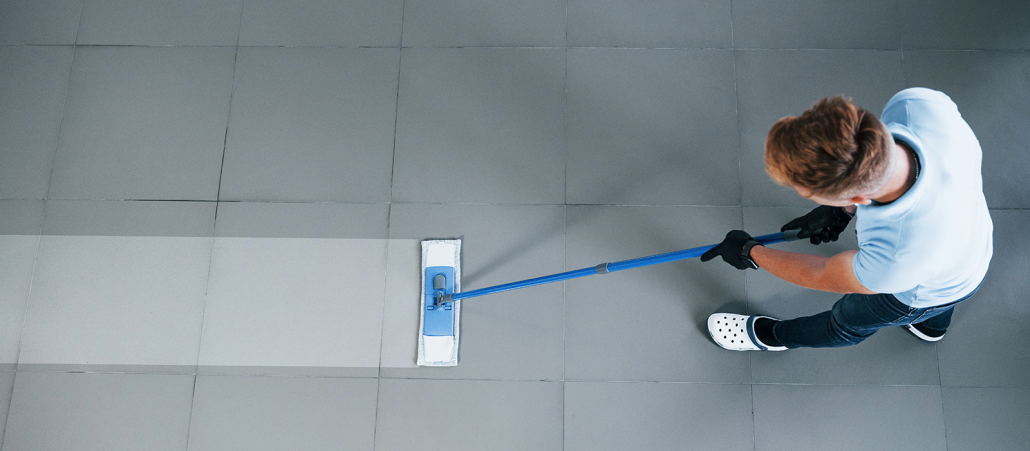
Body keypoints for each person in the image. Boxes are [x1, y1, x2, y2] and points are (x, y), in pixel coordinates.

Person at [701, 88, 993, 351]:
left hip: (921, 291)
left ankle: (774, 337)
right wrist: (842, 211)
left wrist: (750, 252)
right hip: (972, 242)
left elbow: (821, 274)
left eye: (809, 194)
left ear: (859, 197)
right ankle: (932, 327)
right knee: (941, 283)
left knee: (846, 321)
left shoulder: (897, 258)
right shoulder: (918, 106)